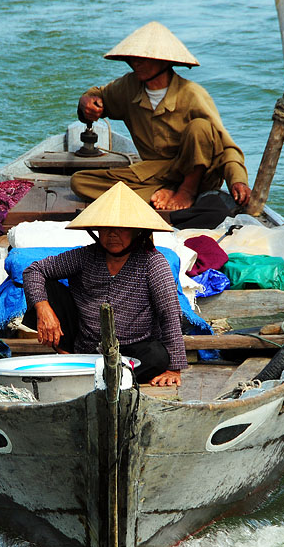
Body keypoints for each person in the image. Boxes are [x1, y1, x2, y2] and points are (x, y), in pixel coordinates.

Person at [71, 21, 251, 212]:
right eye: (133, 59)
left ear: (165, 61)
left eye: (144, 59)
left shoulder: (192, 94)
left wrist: (237, 181)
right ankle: (165, 191)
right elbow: (98, 95)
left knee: (200, 127)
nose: (136, 63)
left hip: (200, 173)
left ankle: (187, 191)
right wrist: (86, 103)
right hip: (158, 173)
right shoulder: (128, 87)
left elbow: (227, 147)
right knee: (80, 182)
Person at [22, 181, 186, 387]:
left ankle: (101, 376)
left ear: (138, 231)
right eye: (106, 228)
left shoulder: (153, 263)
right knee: (45, 289)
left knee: (157, 356)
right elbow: (34, 270)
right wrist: (43, 309)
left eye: (121, 229)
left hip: (132, 351)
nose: (112, 234)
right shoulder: (86, 255)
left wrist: (174, 370)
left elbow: (169, 313)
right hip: (86, 347)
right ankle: (68, 359)